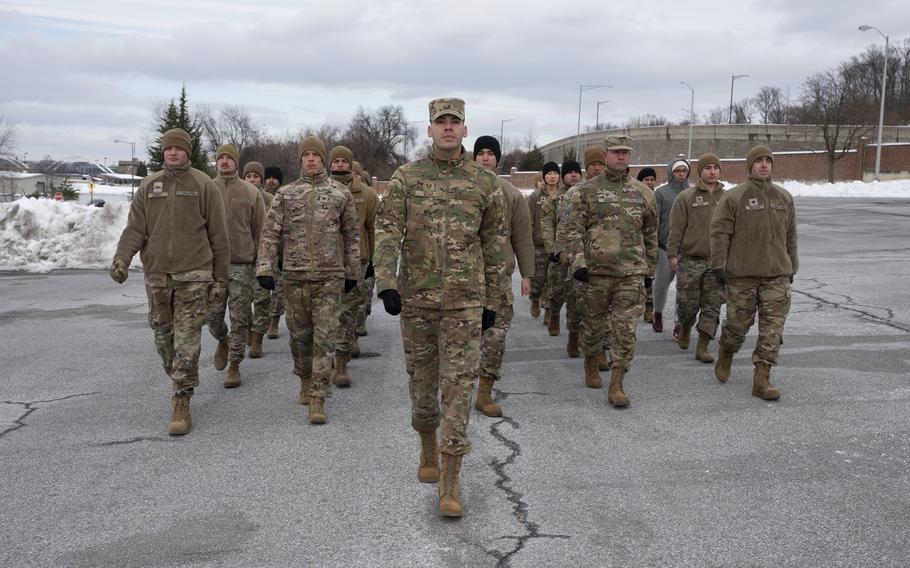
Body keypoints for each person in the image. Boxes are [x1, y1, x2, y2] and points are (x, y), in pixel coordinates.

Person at [374, 97, 506, 517]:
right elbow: (387, 228)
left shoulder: (484, 182)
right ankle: (426, 443)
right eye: (440, 122)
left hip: (466, 304)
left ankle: (451, 478)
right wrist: (385, 282)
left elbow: (495, 245)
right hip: (417, 301)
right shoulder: (406, 177)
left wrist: (494, 299)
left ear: (465, 130)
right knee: (422, 383)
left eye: (455, 122)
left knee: (459, 387)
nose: (448, 128)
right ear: (429, 129)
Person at [110, 128, 229, 436]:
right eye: (168, 149)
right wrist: (122, 259)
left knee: (187, 342)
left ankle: (181, 399)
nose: (173, 153)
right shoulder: (149, 186)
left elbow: (219, 236)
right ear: (163, 153)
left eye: (179, 149)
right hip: (158, 276)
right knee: (164, 339)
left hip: (195, 275)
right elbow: (135, 229)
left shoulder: (204, 185)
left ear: (188, 152)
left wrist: (220, 278)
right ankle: (178, 376)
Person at [255, 136, 360, 423]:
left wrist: (353, 271)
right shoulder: (286, 194)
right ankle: (304, 378)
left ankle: (319, 396)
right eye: (306, 155)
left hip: (330, 278)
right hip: (295, 277)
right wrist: (265, 267)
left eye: (316, 155)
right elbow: (269, 234)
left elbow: (351, 235)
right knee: (300, 338)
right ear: (300, 160)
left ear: (323, 159)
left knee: (325, 337)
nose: (311, 159)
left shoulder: (340, 194)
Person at [564, 135, 657, 406]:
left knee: (625, 330)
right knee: (593, 326)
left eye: (625, 153)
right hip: (595, 273)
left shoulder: (643, 192)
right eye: (616, 152)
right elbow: (572, 230)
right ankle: (591, 362)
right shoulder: (584, 191)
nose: (621, 157)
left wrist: (649, 269)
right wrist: (579, 262)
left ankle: (617, 384)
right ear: (605, 155)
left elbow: (650, 233)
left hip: (630, 273)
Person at [710, 145, 797, 400]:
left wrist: (792, 265)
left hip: (776, 275)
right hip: (742, 275)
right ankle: (726, 351)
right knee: (737, 326)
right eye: (758, 161)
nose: (764, 165)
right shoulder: (735, 197)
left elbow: (790, 235)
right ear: (749, 166)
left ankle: (762, 379)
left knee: (772, 330)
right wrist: (718, 265)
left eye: (768, 161)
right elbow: (719, 233)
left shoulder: (784, 197)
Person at [473, 135, 534, 417]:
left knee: (495, 338)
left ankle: (484, 392)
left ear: (498, 159)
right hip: (464, 279)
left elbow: (522, 237)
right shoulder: (462, 188)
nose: (485, 158)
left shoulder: (510, 194)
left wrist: (527, 274)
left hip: (498, 279)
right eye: (481, 153)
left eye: (490, 153)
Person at [207, 144, 266, 388]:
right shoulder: (206, 188)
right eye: (220, 157)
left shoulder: (250, 192)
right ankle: (223, 339)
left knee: (240, 318)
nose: (224, 162)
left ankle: (234, 365)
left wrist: (259, 263)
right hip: (211, 265)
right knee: (212, 317)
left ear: (236, 162)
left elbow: (260, 230)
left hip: (242, 265)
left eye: (228, 158)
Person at [666, 153, 726, 363]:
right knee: (687, 304)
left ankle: (703, 345)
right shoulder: (686, 197)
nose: (712, 171)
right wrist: (672, 253)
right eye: (707, 167)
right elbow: (676, 228)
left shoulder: (727, 198)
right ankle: (685, 327)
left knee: (713, 305)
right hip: (691, 261)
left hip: (718, 262)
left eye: (715, 167)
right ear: (700, 171)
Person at [328, 145, 379, 386]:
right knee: (326, 316)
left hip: (356, 263)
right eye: (335, 161)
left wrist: (374, 261)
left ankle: (341, 364)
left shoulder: (367, 195)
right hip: (326, 264)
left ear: (350, 164)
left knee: (348, 316)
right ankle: (325, 360)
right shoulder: (320, 191)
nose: (339, 165)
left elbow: (373, 229)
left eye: (343, 161)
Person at [541, 160, 581, 336]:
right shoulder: (554, 198)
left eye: (576, 172)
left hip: (581, 252)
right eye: (569, 172)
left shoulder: (587, 194)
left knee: (578, 295)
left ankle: (575, 332)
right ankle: (555, 313)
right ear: (563, 176)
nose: (573, 175)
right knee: (557, 290)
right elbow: (547, 224)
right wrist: (552, 249)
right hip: (560, 251)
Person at [653, 158, 690, 335]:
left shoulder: (692, 192)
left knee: (683, 288)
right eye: (678, 170)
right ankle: (658, 313)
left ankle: (678, 323)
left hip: (686, 249)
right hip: (664, 247)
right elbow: (654, 220)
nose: (681, 173)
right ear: (671, 172)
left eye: (684, 170)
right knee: (661, 284)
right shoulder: (661, 193)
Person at [243, 161, 273, 359]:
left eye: (255, 176)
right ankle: (248, 330)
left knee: (262, 300)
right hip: (241, 258)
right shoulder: (239, 196)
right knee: (242, 301)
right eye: (248, 176)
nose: (252, 180)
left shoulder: (270, 199)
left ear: (261, 179)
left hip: (263, 257)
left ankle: (258, 340)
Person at [527, 164, 559, 322]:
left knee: (552, 279)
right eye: (549, 174)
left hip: (557, 245)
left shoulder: (564, 195)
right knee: (539, 279)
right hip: (538, 245)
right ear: (544, 177)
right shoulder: (535, 197)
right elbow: (528, 221)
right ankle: (535, 298)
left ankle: (548, 309)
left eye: (555, 173)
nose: (552, 176)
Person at [263, 166, 285, 339]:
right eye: (268, 177)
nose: (271, 180)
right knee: (261, 292)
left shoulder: (286, 197)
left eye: (274, 178)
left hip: (280, 252)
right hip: (262, 251)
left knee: (278, 290)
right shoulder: (259, 197)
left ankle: (274, 323)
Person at [637, 167, 658, 323]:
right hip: (637, 246)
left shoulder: (657, 197)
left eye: (652, 180)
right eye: (646, 180)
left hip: (652, 243)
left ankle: (649, 308)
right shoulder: (635, 196)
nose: (649, 183)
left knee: (650, 278)